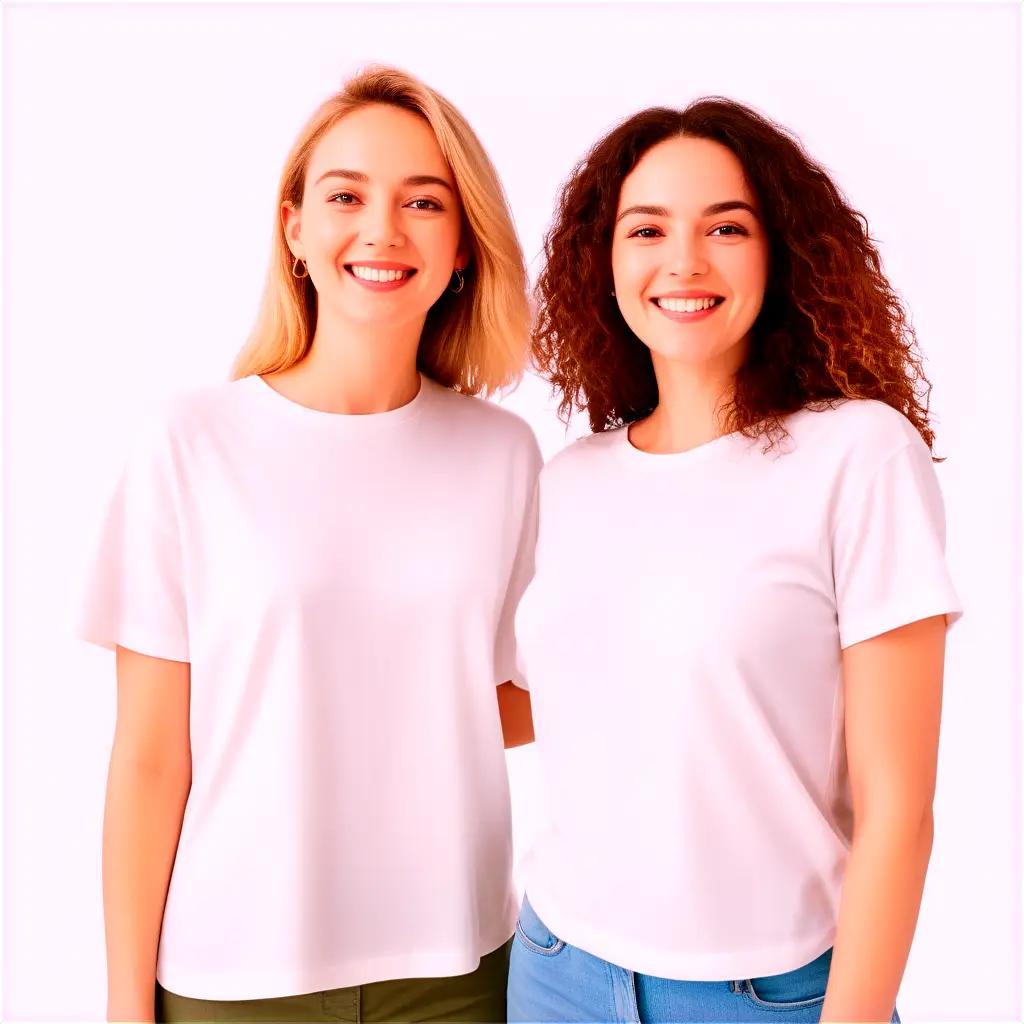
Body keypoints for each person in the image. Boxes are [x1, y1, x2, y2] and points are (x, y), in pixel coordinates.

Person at [77, 65, 539, 1024]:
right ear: (294, 229)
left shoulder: (503, 456)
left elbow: (500, 698)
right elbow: (151, 757)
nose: (383, 230)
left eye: (424, 201)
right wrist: (126, 1006)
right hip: (236, 976)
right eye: (346, 196)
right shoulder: (190, 444)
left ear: (463, 246)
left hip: (457, 968)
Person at [507, 98, 961, 1023]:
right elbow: (571, 704)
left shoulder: (859, 457)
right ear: (606, 263)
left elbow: (898, 810)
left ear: (778, 251)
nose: (684, 260)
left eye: (725, 226)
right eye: (647, 229)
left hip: (770, 997)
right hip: (556, 970)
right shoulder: (573, 480)